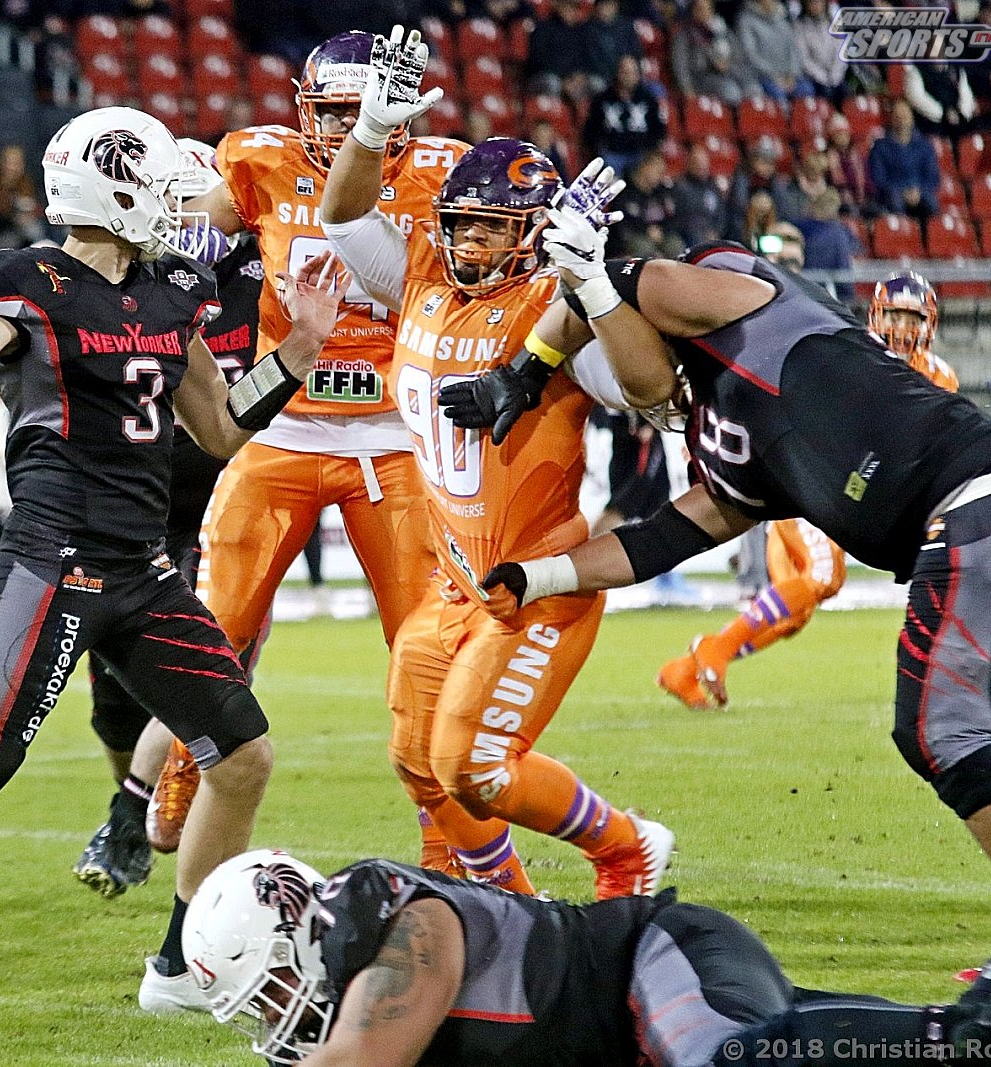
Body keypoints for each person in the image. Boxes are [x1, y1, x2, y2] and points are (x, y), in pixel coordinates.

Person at [0, 105, 346, 1036]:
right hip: (55, 560)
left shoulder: (174, 286)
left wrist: (297, 354)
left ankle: (177, 964)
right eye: (159, 183)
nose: (178, 201)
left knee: (243, 755)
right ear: (116, 191)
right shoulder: (23, 280)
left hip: (144, 569)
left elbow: (219, 427)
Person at [464, 191, 991, 932]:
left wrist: (529, 364)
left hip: (977, 505)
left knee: (939, 731)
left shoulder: (740, 298)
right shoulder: (722, 435)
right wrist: (537, 577)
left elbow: (618, 288)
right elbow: (663, 538)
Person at [317, 30, 675, 899]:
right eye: (462, 223)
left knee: (473, 763)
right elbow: (343, 216)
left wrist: (594, 285)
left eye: (492, 226)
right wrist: (369, 131)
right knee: (417, 759)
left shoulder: (556, 306)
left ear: (536, 232)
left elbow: (650, 390)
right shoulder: (422, 276)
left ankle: (628, 847)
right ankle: (510, 903)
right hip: (454, 583)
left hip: (538, 583)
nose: (471, 242)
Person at [150, 28, 456, 873]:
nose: (348, 128)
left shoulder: (442, 175)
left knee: (422, 648)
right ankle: (186, 758)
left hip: (394, 437)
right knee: (218, 622)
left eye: (366, 112)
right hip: (280, 428)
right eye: (334, 112)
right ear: (304, 111)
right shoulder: (260, 161)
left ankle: (447, 828)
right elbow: (188, 241)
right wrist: (170, 246)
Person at [184, 848, 991, 1066]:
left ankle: (982, 1039)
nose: (277, 1018)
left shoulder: (388, 912)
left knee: (720, 1060)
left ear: (300, 930)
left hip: (657, 956)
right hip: (635, 1034)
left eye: (272, 990)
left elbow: (364, 1058)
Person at [70, 138, 266, 897]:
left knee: (211, 656)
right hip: (138, 502)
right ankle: (129, 796)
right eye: (174, 201)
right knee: (112, 707)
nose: (186, 218)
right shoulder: (133, 281)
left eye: (195, 200)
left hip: (230, 493)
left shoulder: (269, 267)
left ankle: (128, 813)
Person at [659, 270, 959, 710]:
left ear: (929, 325)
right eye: (894, 316)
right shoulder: (851, 358)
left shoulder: (940, 377)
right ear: (876, 316)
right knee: (821, 576)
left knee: (795, 613)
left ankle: (685, 670)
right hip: (808, 477)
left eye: (911, 319)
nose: (901, 329)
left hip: (847, 491)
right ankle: (714, 650)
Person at [583, 56, 667, 178]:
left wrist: (648, 148)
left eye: (632, 72)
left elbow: (659, 130)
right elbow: (591, 130)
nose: (628, 77)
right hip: (613, 153)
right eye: (625, 72)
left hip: (640, 154)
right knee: (607, 167)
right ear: (618, 73)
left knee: (652, 166)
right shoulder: (603, 99)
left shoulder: (648, 99)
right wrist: (600, 147)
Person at [868, 100, 940, 221]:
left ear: (912, 118)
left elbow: (932, 176)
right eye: (898, 116)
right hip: (893, 193)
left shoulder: (925, 145)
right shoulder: (880, 147)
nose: (902, 120)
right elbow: (878, 178)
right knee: (896, 203)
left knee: (932, 205)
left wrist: (919, 191)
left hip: (920, 191)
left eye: (905, 116)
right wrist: (902, 191)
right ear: (892, 119)